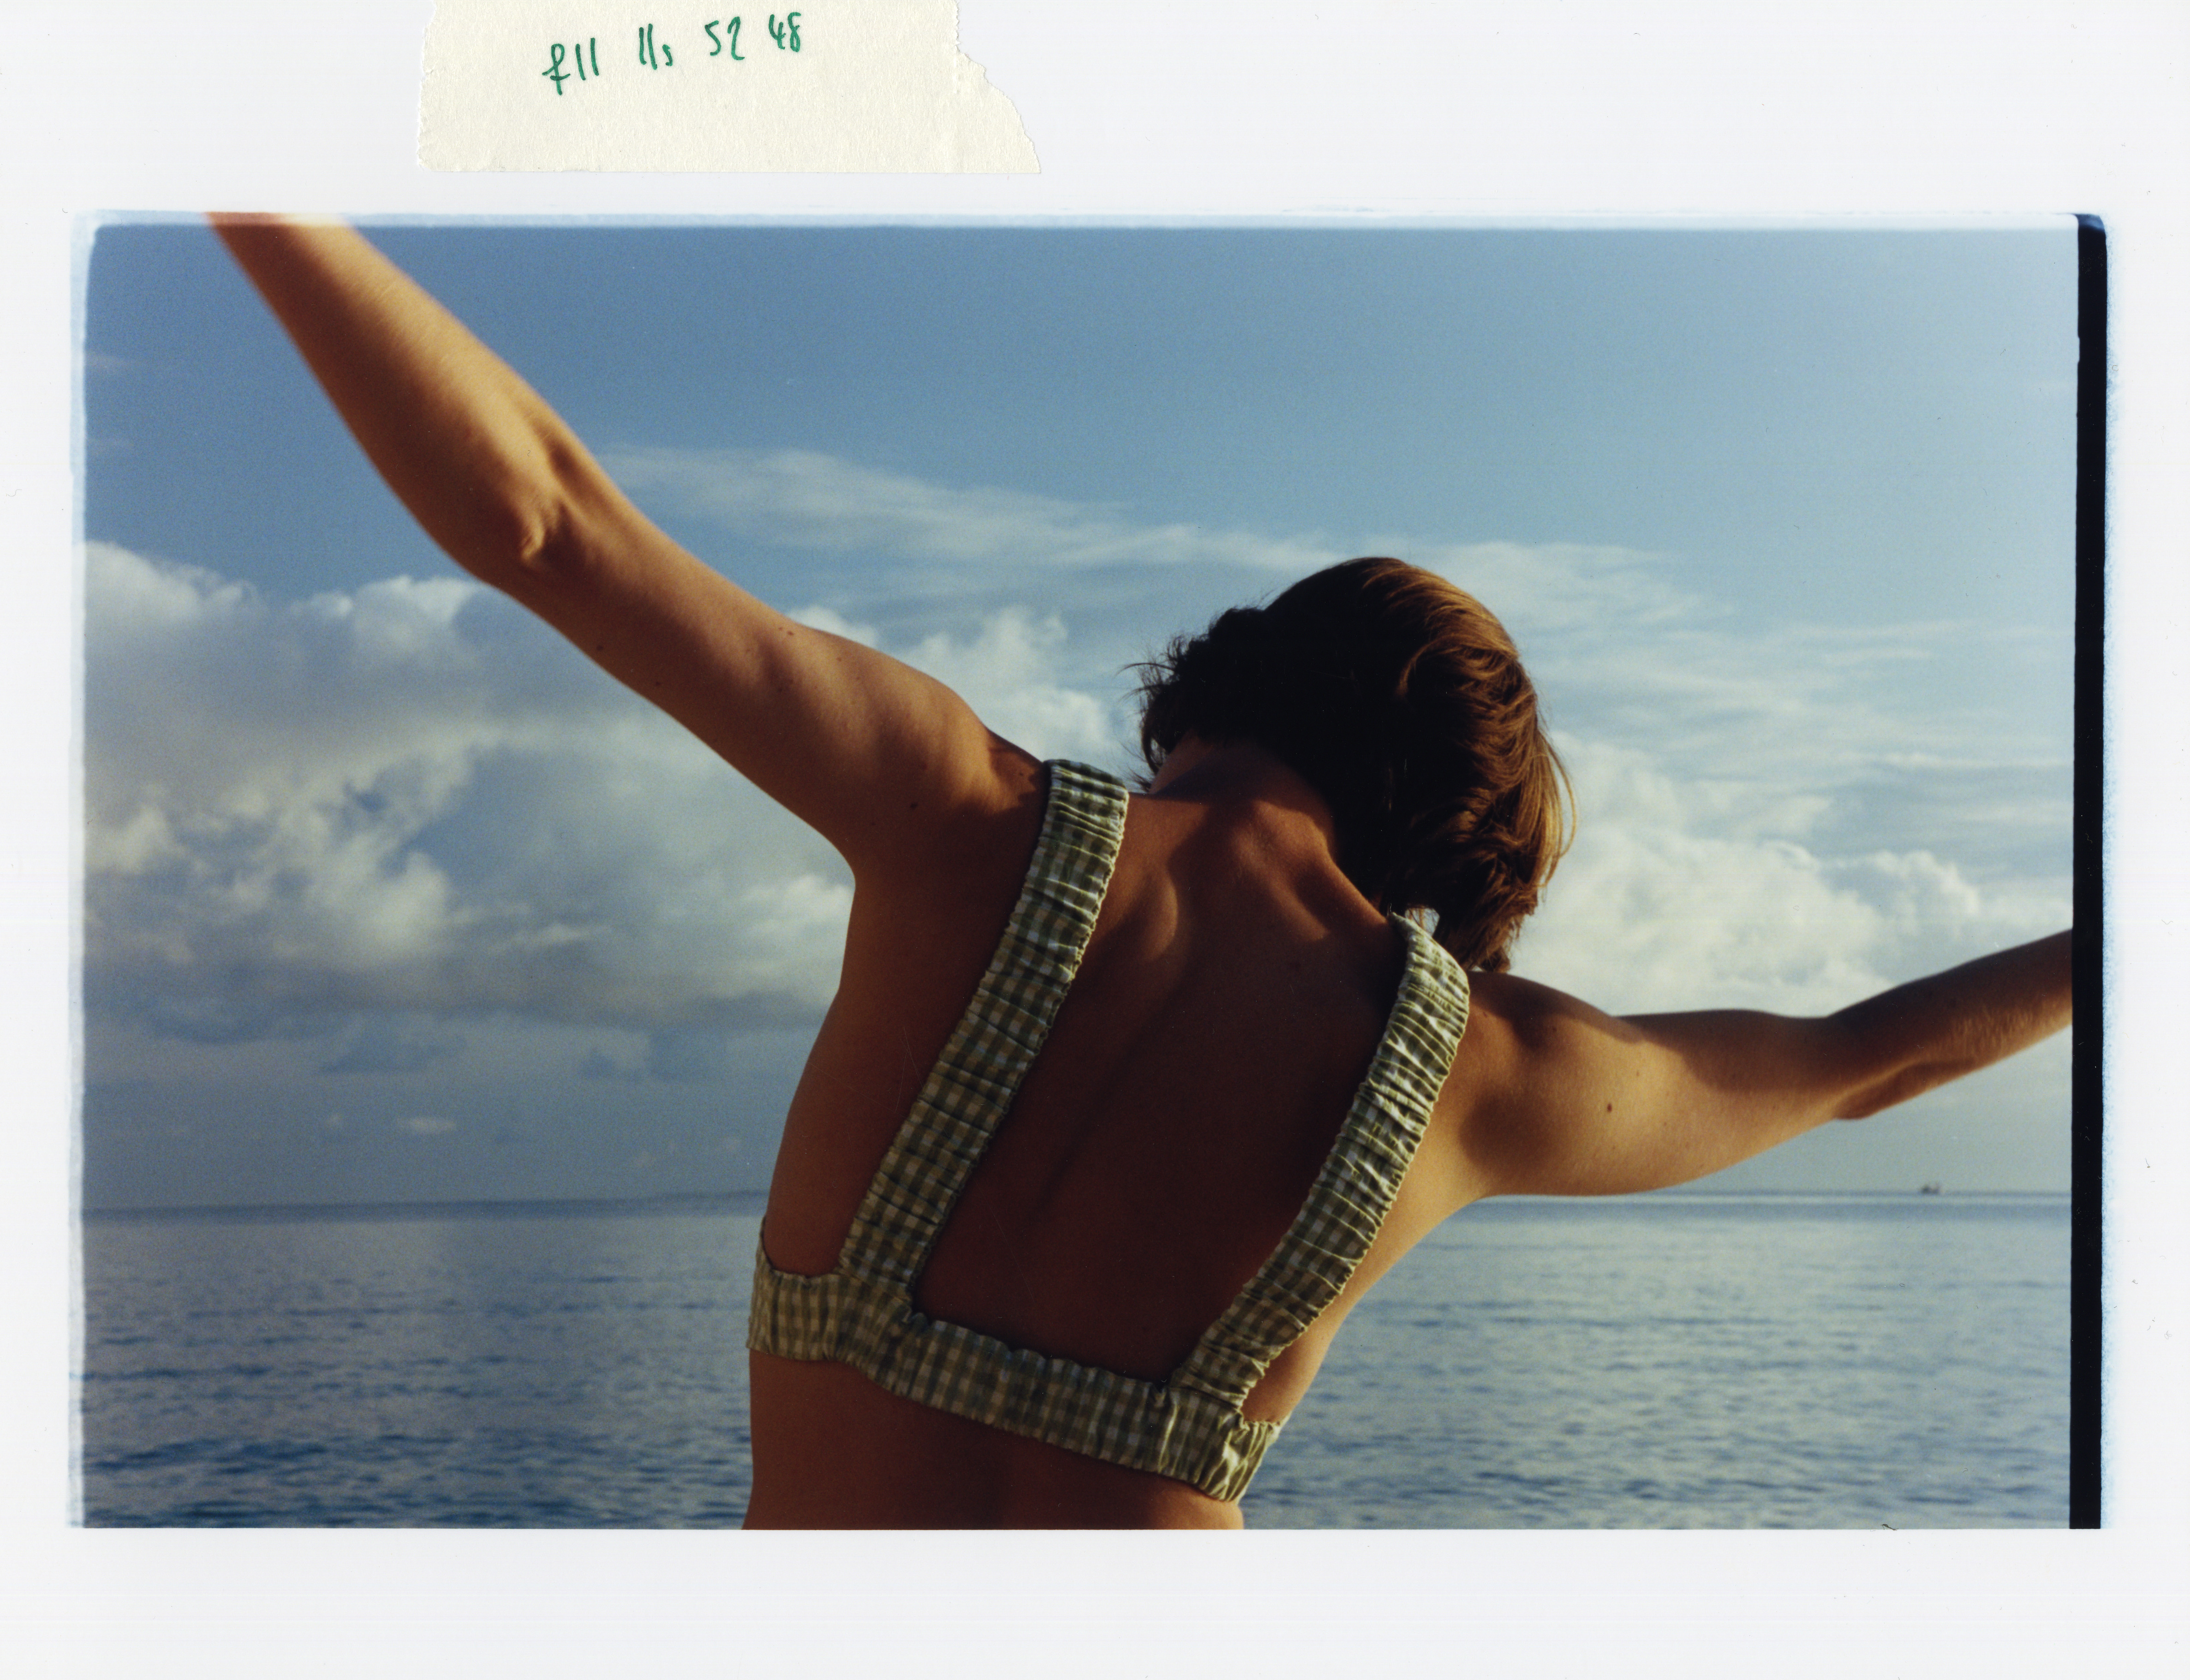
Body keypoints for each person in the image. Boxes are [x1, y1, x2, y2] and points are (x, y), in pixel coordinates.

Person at [213, 216, 2074, 1530]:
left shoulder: (957, 819)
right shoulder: (1481, 1078)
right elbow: (1869, 1060)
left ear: (1216, 681)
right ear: (1442, 844)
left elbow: (542, 520)